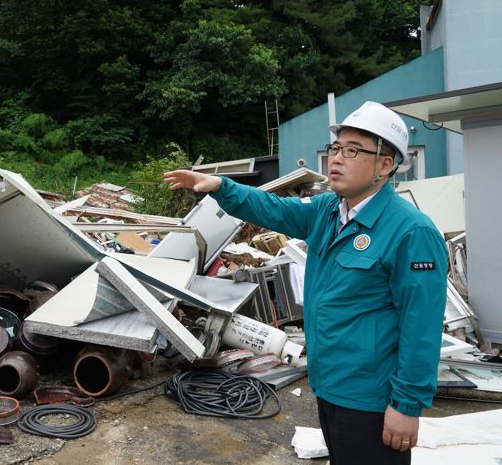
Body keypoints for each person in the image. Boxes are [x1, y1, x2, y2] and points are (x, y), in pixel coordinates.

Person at [165, 101, 447, 464]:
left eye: (352, 150)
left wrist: (407, 406)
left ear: (385, 165)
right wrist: (221, 186)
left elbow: (421, 327)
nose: (337, 159)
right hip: (329, 388)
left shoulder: (411, 231)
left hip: (372, 399)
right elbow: (271, 209)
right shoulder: (328, 211)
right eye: (335, 148)